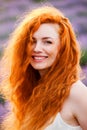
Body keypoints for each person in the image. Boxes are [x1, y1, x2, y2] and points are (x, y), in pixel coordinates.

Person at [0, 5, 87, 130]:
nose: (37, 48)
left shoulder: (77, 94)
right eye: (32, 41)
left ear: (62, 49)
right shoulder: (30, 91)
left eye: (48, 42)